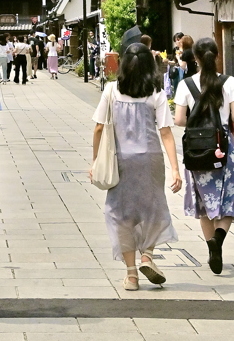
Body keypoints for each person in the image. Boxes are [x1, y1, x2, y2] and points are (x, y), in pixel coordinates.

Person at [91, 42, 181, 291]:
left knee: (121, 215)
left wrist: (95, 160)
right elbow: (165, 132)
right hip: (150, 159)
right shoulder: (156, 93)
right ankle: (147, 257)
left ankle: (131, 275)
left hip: (122, 161)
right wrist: (175, 168)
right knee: (151, 210)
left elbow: (99, 128)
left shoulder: (111, 90)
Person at [174, 36, 234, 274]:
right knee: (228, 202)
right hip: (225, 150)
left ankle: (212, 248)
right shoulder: (229, 83)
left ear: (195, 58)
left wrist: (198, 128)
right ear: (217, 56)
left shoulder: (185, 85)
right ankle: (218, 241)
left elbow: (179, 120)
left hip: (198, 152)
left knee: (204, 203)